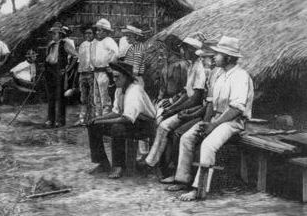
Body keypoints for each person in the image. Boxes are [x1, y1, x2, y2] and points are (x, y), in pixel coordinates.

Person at [166, 36, 254, 201]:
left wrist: (213, 126)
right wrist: (206, 122)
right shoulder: (219, 74)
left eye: (219, 54)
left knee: (208, 145)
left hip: (233, 121)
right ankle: (183, 179)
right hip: (216, 118)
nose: (214, 57)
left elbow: (236, 109)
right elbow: (211, 103)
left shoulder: (241, 76)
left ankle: (198, 189)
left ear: (228, 57)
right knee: (187, 137)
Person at [144, 33, 206, 169]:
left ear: (192, 50)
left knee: (164, 125)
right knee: (160, 119)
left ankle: (159, 163)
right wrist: (172, 106)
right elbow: (186, 93)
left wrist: (174, 109)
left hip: (195, 109)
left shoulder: (198, 69)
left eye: (185, 48)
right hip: (186, 105)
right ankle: (154, 161)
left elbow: (195, 98)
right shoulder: (191, 66)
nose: (182, 51)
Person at [87, 61, 156, 179]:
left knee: (117, 128)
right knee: (93, 125)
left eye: (117, 76)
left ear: (126, 77)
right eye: (113, 76)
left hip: (145, 125)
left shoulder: (135, 90)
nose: (114, 79)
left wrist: (101, 121)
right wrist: (98, 119)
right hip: (131, 122)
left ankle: (119, 166)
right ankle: (102, 163)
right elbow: (116, 112)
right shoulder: (119, 90)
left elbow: (126, 118)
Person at [44, 23, 77, 128]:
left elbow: (75, 56)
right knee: (51, 97)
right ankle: (50, 119)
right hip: (50, 71)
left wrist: (68, 68)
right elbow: (47, 57)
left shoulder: (65, 43)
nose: (53, 35)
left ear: (60, 34)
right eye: (52, 33)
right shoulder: (50, 44)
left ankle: (60, 121)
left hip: (59, 72)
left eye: (55, 33)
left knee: (60, 97)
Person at [91, 18, 119, 117]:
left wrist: (109, 64)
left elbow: (115, 53)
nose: (97, 32)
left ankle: (104, 117)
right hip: (96, 72)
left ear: (106, 32)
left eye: (100, 30)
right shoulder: (96, 42)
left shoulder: (109, 41)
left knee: (105, 96)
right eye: (97, 30)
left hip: (104, 72)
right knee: (96, 97)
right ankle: (97, 116)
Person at [74, 26, 97, 126]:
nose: (87, 35)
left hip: (92, 73)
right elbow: (79, 61)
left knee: (92, 98)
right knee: (83, 98)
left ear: (94, 34)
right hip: (83, 74)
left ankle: (92, 119)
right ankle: (82, 119)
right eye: (86, 33)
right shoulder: (82, 45)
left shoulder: (97, 44)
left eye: (90, 33)